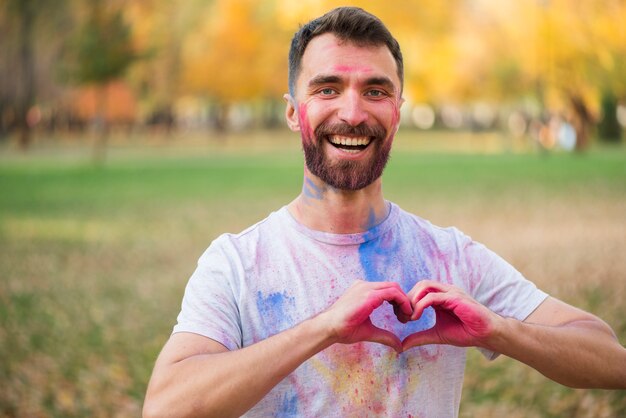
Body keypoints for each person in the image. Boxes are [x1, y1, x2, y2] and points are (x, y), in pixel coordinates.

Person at [143, 7, 626, 418]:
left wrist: (500, 330)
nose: (352, 113)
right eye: (327, 89)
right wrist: (324, 328)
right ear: (294, 112)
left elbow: (610, 359)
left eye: (375, 91)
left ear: (397, 110)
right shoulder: (237, 262)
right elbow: (165, 406)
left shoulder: (450, 256)